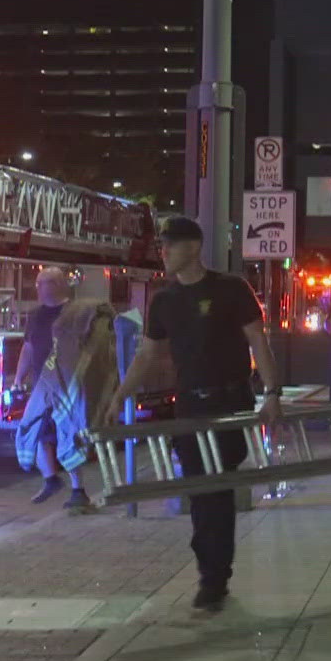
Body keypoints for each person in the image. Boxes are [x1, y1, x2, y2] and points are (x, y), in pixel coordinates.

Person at [101, 216, 282, 613]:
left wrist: (271, 393)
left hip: (228, 403)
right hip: (189, 406)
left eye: (170, 245)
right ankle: (211, 569)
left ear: (194, 248)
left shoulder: (231, 289)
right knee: (199, 490)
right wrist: (120, 396)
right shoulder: (164, 301)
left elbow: (257, 340)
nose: (162, 252)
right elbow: (147, 355)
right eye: (162, 245)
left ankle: (214, 577)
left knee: (215, 490)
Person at [12, 267, 88, 507]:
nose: (37, 289)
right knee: (37, 431)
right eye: (37, 284)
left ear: (56, 284)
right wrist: (18, 378)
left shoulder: (73, 313)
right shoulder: (35, 315)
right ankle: (51, 479)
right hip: (41, 386)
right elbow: (29, 347)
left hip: (66, 385)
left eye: (41, 284)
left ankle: (79, 490)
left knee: (68, 434)